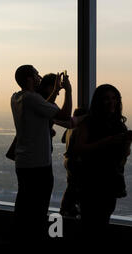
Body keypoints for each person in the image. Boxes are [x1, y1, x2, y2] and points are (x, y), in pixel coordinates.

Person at [10, 65, 72, 241]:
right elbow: (65, 115)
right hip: (38, 163)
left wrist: (53, 92)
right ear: (30, 79)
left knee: (24, 204)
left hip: (23, 161)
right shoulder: (32, 98)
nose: (39, 77)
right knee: (39, 206)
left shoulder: (17, 97)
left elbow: (44, 105)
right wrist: (68, 90)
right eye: (36, 74)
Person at [73, 84, 131, 238]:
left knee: (101, 221)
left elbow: (123, 157)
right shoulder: (88, 123)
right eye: (106, 99)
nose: (111, 102)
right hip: (91, 182)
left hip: (110, 181)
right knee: (92, 224)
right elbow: (80, 149)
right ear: (99, 101)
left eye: (114, 98)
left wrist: (125, 144)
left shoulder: (119, 125)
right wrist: (111, 141)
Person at [59, 108, 87, 218]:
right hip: (75, 161)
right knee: (76, 186)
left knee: (71, 185)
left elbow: (62, 140)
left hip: (68, 161)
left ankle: (66, 208)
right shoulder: (79, 130)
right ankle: (68, 208)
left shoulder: (70, 129)